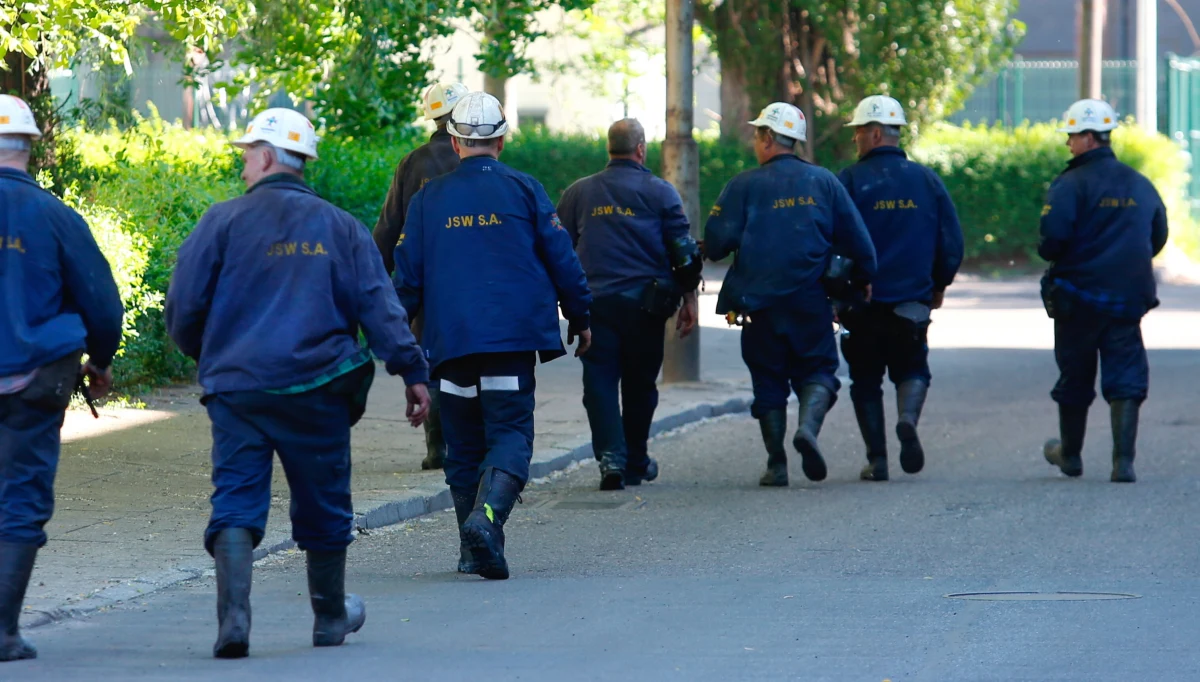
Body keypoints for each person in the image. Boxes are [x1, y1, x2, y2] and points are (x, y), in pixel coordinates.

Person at [165, 107, 432, 658]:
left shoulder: (221, 222)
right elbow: (380, 308)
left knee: (236, 499)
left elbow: (183, 309)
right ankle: (330, 617)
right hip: (319, 387)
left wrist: (212, 357)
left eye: (246, 156)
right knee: (325, 501)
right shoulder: (341, 227)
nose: (243, 168)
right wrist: (411, 371)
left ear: (266, 157)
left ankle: (234, 621)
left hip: (238, 390)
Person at [394, 92, 592, 579]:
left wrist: (399, 353)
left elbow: (407, 281)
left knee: (461, 445)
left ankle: (472, 546)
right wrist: (581, 316)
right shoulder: (526, 189)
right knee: (508, 433)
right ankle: (485, 522)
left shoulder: (426, 199)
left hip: (450, 344)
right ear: (501, 140)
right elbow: (562, 259)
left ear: (456, 143)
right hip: (510, 342)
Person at [0, 95, 124, 663]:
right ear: (31, 149)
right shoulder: (55, 216)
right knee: (22, 496)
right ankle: (2, 632)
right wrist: (99, 362)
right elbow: (101, 302)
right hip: (37, 379)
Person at [704, 102, 876, 487]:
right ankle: (808, 429)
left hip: (759, 305)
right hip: (810, 300)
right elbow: (859, 243)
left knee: (768, 381)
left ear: (767, 137)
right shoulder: (824, 182)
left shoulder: (743, 185)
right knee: (818, 370)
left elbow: (715, 243)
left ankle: (776, 463)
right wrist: (862, 280)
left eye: (757, 134)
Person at [556, 118, 701, 491]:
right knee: (640, 385)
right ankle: (636, 459)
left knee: (600, 382)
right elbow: (684, 253)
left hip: (595, 306)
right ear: (641, 150)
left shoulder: (578, 193)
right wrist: (689, 300)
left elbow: (559, 253)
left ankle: (611, 458)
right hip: (646, 308)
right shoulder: (661, 193)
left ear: (609, 148)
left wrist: (563, 302)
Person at [1038, 99, 1168, 483]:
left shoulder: (1068, 185)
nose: (1068, 144)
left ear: (1090, 138)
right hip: (1127, 297)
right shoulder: (1139, 183)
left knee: (1075, 376)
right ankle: (1122, 462)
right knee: (1126, 375)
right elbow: (1157, 235)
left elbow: (1051, 242)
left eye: (1073, 136)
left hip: (1077, 297)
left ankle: (1071, 455)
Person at [836, 95, 964, 481]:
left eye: (858, 132)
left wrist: (840, 291)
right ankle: (907, 418)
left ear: (875, 133)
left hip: (863, 302)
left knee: (865, 380)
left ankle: (877, 460)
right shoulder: (926, 180)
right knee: (913, 367)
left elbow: (833, 241)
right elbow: (951, 241)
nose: (856, 140)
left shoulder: (849, 181)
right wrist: (938, 285)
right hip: (912, 300)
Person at [373, 81, 468, 472]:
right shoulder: (476, 156)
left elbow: (388, 226)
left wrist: (377, 282)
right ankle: (467, 441)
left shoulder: (412, 164)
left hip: (423, 280)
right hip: (471, 279)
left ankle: (437, 447)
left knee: (428, 360)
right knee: (469, 358)